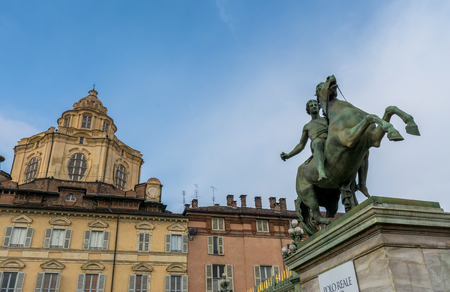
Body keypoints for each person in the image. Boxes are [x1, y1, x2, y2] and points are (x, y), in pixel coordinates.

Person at [280, 99, 328, 181]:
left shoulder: (327, 119)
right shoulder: (307, 126)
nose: (314, 106)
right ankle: (321, 172)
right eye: (311, 105)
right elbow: (301, 145)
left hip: (329, 140)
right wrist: (288, 155)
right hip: (318, 144)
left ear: (319, 107)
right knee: (317, 142)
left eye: (316, 104)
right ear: (308, 109)